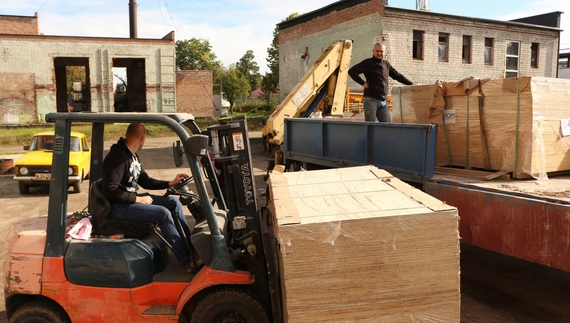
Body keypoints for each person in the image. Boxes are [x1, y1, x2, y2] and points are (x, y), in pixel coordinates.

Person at [102, 123, 192, 265]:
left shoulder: (132, 155)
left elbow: (145, 180)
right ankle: (187, 259)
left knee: (173, 203)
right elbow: (110, 190)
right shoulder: (118, 157)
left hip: (129, 202)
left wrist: (170, 183)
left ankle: (190, 247)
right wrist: (137, 199)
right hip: (118, 207)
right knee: (162, 213)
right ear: (143, 137)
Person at [348, 42, 413, 122]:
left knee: (387, 126)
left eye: (381, 51)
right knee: (370, 126)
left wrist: (411, 84)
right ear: (373, 51)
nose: (379, 53)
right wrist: (363, 83)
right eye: (377, 51)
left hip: (383, 101)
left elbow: (397, 75)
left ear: (385, 52)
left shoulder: (386, 64)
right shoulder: (368, 63)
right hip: (371, 100)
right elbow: (352, 71)